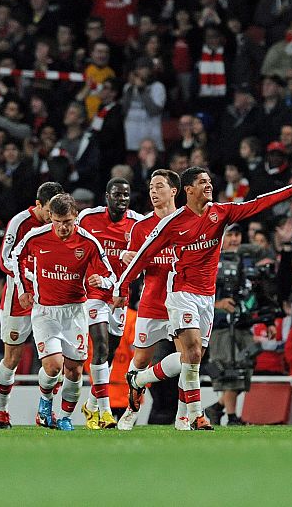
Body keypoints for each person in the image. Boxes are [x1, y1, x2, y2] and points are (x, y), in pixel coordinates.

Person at [115, 166, 292, 430]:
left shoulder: (220, 213)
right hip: (180, 293)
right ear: (188, 189)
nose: (209, 186)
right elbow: (142, 255)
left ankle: (144, 383)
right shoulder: (171, 223)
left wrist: (291, 190)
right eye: (202, 182)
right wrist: (121, 287)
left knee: (192, 358)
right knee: (192, 352)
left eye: (209, 181)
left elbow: (256, 205)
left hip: (206, 297)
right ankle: (196, 415)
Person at [11, 193, 116, 431]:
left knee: (75, 369)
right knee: (53, 366)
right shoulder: (36, 237)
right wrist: (24, 288)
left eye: (67, 221)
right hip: (45, 312)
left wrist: (102, 280)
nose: (62, 227)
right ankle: (45, 403)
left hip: (75, 312)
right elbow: (16, 257)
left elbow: (110, 274)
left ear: (76, 218)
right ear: (50, 217)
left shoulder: (88, 242)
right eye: (57, 221)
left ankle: (66, 417)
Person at [116, 169, 182, 430]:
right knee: (140, 360)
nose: (154, 192)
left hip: (181, 302)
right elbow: (131, 265)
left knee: (190, 359)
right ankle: (131, 411)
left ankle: (188, 415)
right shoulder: (141, 227)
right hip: (151, 303)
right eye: (151, 188)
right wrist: (128, 260)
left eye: (159, 187)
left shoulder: (188, 222)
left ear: (174, 191)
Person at [0, 181, 63, 429]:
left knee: (56, 361)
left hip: (51, 300)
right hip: (19, 298)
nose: (54, 216)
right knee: (12, 357)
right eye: (49, 211)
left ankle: (45, 411)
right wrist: (29, 278)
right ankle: (1, 409)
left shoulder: (60, 224)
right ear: (38, 205)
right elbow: (4, 260)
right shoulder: (20, 223)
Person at [76, 178, 142, 429]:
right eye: (117, 194)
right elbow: (76, 248)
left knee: (110, 354)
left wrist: (129, 260)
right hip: (93, 292)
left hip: (119, 296)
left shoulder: (137, 223)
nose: (121, 199)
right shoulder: (88, 219)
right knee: (101, 347)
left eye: (126, 195)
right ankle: (105, 414)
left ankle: (90, 406)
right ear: (107, 196)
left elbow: (142, 262)